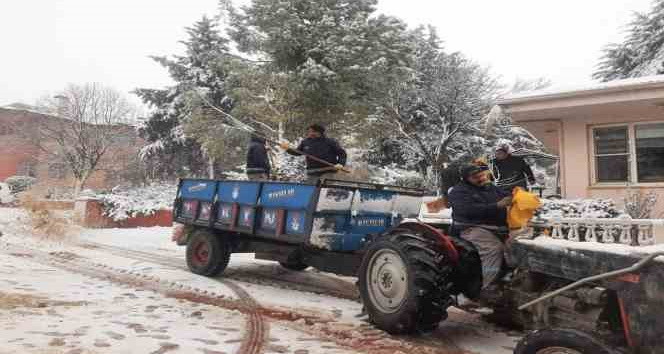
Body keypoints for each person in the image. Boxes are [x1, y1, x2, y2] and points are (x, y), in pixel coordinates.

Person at [448, 164, 512, 291]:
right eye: (475, 177)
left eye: (481, 175)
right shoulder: (458, 192)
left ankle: (512, 279)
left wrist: (516, 194)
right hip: (470, 227)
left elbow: (505, 193)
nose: (480, 178)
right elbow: (467, 211)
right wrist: (497, 206)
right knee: (493, 249)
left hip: (497, 227)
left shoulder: (489, 187)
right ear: (466, 178)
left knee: (516, 244)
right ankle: (488, 288)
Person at [280, 124, 347, 183]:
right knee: (311, 191)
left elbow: (342, 153)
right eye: (309, 131)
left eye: (312, 131)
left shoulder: (330, 142)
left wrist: (340, 164)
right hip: (312, 171)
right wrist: (287, 149)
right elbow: (298, 152)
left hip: (328, 170)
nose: (310, 133)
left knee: (325, 189)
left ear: (319, 132)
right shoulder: (305, 142)